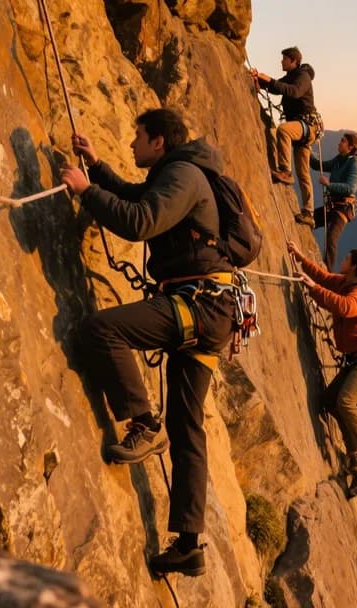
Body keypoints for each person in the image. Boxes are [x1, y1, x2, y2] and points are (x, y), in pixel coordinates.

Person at [60, 109, 237, 577]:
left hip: (198, 305)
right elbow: (139, 196)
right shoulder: (178, 172)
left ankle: (142, 422)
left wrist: (84, 191)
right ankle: (189, 544)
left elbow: (139, 221)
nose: (131, 142)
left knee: (102, 330)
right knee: (187, 426)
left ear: (159, 141)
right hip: (208, 310)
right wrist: (97, 170)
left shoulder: (182, 174)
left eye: (137, 136)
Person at [287, 240, 357, 497]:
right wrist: (299, 257)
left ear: (352, 266)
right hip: (356, 360)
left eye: (346, 259)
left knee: (346, 401)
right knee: (330, 402)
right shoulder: (347, 283)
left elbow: (345, 307)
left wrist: (313, 289)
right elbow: (325, 277)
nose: (342, 260)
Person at [252, 46, 319, 225]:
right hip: (303, 127)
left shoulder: (302, 77)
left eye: (284, 59)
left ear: (293, 61)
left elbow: (294, 91)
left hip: (306, 125)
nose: (281, 61)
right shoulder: (291, 76)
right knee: (304, 172)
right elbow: (277, 88)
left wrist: (269, 80)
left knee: (283, 130)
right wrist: (260, 79)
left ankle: (285, 171)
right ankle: (309, 213)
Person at [309, 132, 357, 270]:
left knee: (331, 238)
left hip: (342, 208)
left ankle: (327, 272)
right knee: (309, 220)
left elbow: (351, 187)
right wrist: (308, 148)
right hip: (333, 205)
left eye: (343, 141)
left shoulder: (356, 163)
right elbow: (319, 165)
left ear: (351, 147)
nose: (339, 143)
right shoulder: (340, 159)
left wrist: (329, 185)